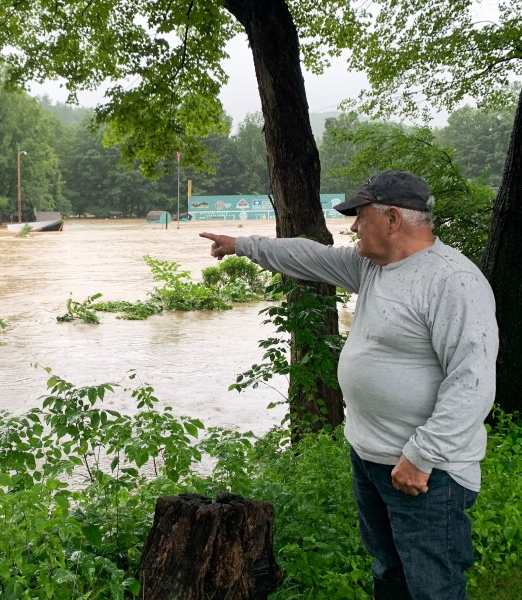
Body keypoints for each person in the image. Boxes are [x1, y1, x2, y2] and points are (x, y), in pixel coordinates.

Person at [199, 170, 499, 600]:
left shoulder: (453, 281)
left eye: (360, 217)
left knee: (434, 586)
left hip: (428, 473)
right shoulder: (372, 268)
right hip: (371, 457)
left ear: (393, 218)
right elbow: (308, 256)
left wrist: (421, 456)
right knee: (389, 572)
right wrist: (244, 246)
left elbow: (472, 381)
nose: (353, 227)